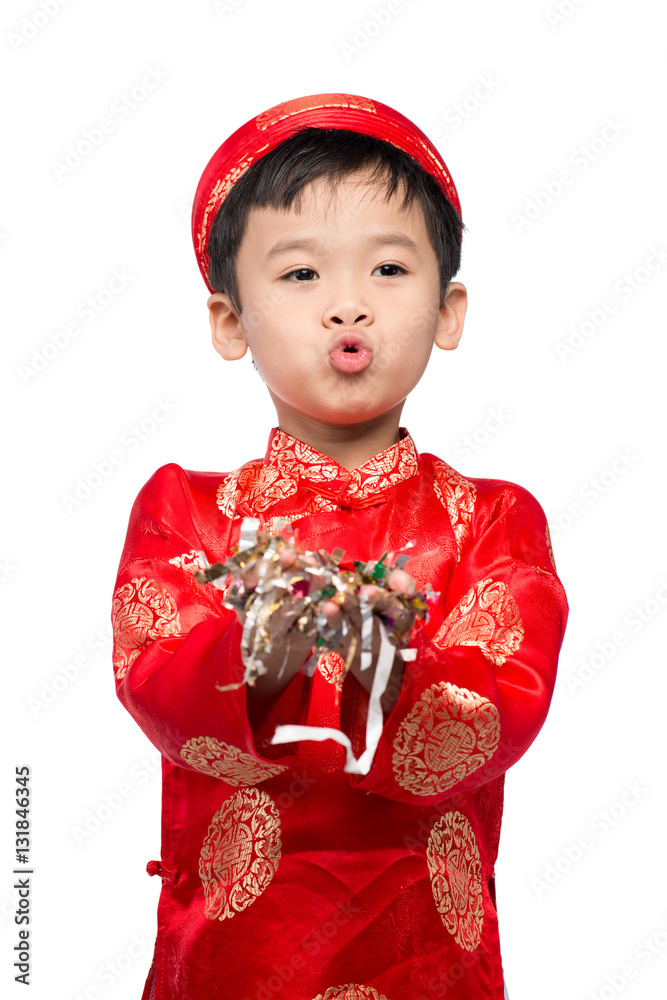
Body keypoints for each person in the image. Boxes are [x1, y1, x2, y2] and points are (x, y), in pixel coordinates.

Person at [111, 92, 569, 1000]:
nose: (347, 306)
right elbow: (163, 688)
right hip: (229, 968)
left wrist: (283, 639)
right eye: (299, 276)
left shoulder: (492, 521)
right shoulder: (185, 511)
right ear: (230, 323)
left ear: (449, 310)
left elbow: (491, 715)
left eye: (389, 269)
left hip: (427, 969)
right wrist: (371, 649)